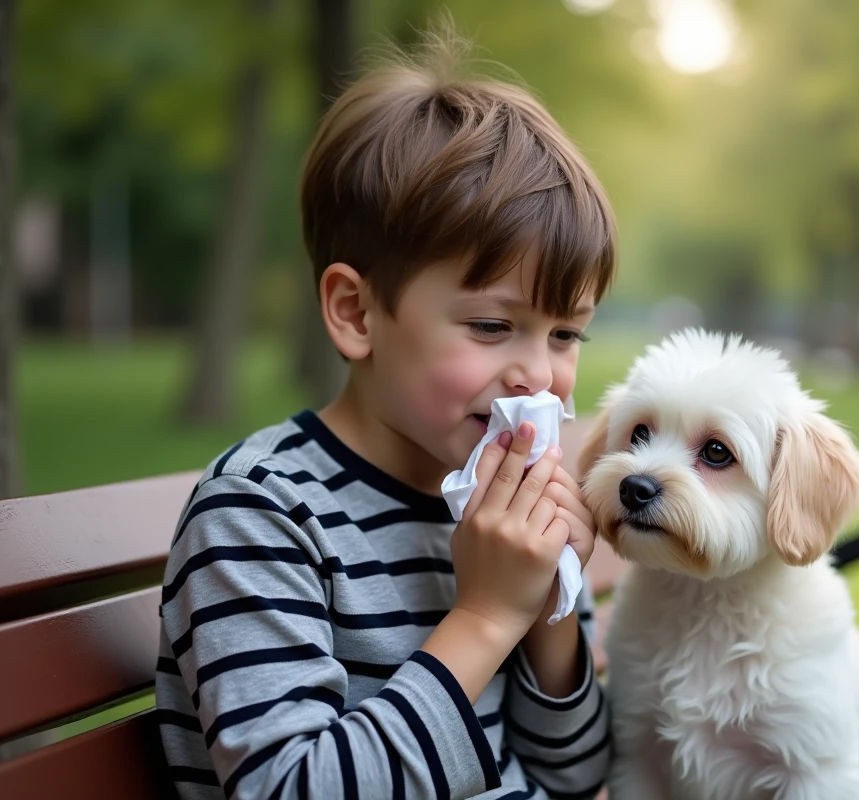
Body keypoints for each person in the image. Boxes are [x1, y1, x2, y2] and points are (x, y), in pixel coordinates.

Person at [156, 27, 616, 800]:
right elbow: (289, 789)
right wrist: (485, 618)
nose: (539, 374)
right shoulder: (260, 512)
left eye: (565, 333)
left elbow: (575, 774)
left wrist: (549, 612)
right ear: (356, 313)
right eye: (492, 326)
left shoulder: (507, 504)